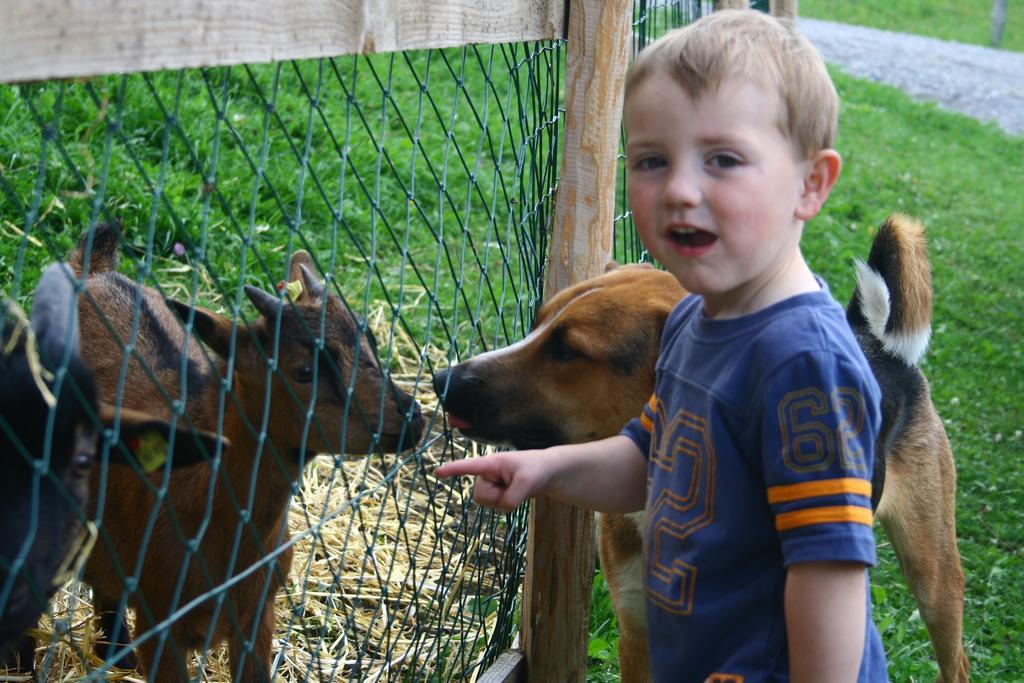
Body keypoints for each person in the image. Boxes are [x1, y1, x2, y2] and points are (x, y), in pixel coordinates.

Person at [435, 9, 887, 682]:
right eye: (652, 159)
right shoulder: (695, 321)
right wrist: (548, 468)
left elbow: (829, 573)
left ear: (811, 184)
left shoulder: (804, 364)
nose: (678, 189)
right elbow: (648, 458)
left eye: (724, 160)